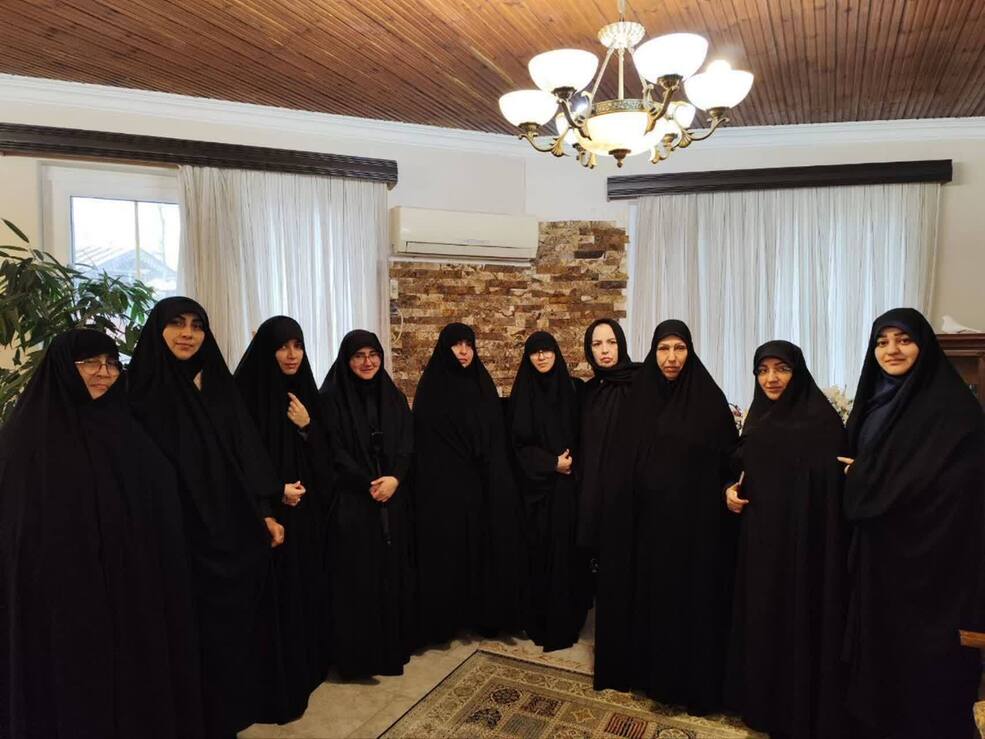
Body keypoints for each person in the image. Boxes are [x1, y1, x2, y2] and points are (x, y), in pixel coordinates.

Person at [0, 329, 204, 739]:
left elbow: (160, 492)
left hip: (128, 584)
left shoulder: (127, 427)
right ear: (63, 369)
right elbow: (18, 525)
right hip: (58, 594)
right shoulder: (27, 438)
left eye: (111, 363)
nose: (104, 373)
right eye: (90, 363)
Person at [127, 297, 290, 738]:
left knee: (224, 633)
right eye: (177, 324)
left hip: (224, 533)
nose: (188, 334)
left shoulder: (217, 384)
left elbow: (244, 453)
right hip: (166, 536)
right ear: (157, 330)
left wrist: (265, 512)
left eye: (197, 325)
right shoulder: (137, 391)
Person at [838, 308, 985, 739]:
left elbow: (961, 487)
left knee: (927, 676)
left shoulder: (955, 411)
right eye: (882, 342)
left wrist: (866, 480)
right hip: (877, 559)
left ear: (924, 346)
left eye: (904, 340)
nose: (892, 350)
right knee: (879, 662)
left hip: (931, 565)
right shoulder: (874, 401)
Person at [594, 320, 738, 715]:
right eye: (663, 349)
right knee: (652, 602)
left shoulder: (709, 400)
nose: (671, 357)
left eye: (679, 348)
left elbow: (730, 459)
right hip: (648, 530)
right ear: (653, 352)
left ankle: (687, 681)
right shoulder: (640, 399)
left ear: (690, 351)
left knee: (687, 606)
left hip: (694, 530)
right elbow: (621, 461)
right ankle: (649, 675)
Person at [724, 341, 847, 738]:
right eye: (763, 370)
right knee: (764, 619)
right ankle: (761, 702)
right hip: (762, 543)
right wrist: (729, 490)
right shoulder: (758, 418)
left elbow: (833, 490)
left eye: (781, 369)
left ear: (798, 372)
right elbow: (740, 467)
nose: (771, 378)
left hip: (806, 545)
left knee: (798, 621)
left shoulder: (823, 424)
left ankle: (797, 709)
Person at [234, 316, 332, 720]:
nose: (292, 355)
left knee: (302, 590)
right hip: (265, 516)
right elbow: (237, 459)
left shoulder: (305, 393)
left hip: (305, 514)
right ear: (266, 350)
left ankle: (304, 668)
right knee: (272, 600)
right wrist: (275, 493)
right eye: (282, 346)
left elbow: (328, 456)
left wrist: (308, 428)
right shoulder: (243, 396)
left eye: (298, 346)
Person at [413, 322, 526, 643]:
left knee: (482, 549)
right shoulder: (432, 388)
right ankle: (448, 619)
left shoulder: (482, 384)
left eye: (468, 345)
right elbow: (426, 442)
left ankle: (481, 615)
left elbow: (495, 435)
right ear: (444, 348)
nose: (463, 351)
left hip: (481, 485)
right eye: (457, 345)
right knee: (450, 553)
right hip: (445, 488)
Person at [320, 330, 416, 678]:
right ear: (347, 360)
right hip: (354, 503)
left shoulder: (392, 396)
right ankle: (360, 659)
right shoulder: (330, 399)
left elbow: (406, 442)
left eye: (373, 354)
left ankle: (391, 649)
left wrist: (395, 479)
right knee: (358, 581)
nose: (367, 362)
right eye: (358, 355)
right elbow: (332, 450)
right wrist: (368, 483)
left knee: (391, 576)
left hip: (392, 498)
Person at [508, 331, 586, 651]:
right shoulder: (522, 396)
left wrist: (571, 464)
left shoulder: (572, 391)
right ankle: (540, 619)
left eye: (547, 351)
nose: (541, 357)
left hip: (568, 490)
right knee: (539, 554)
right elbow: (517, 445)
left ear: (556, 353)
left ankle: (566, 620)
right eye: (535, 352)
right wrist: (552, 463)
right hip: (536, 492)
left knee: (567, 555)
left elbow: (585, 435)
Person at [577, 319, 640, 577]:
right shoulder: (588, 392)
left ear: (621, 345)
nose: (605, 350)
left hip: (631, 490)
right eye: (597, 344)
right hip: (596, 489)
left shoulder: (641, 383)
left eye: (611, 342)